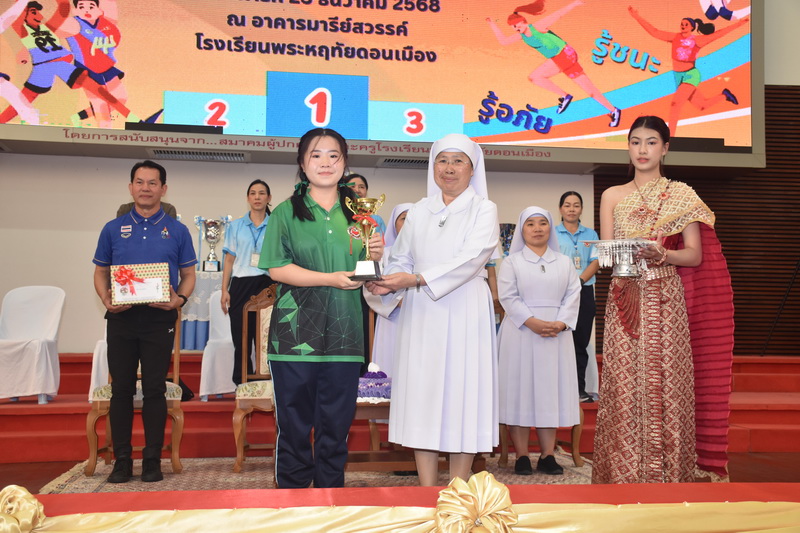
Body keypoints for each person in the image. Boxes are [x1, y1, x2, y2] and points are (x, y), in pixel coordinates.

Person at [592, 115, 734, 484]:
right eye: (635, 142)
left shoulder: (681, 195)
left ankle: (670, 476)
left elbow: (694, 255)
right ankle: (622, 477)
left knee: (667, 383)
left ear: (665, 148)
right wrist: (626, 253)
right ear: (628, 147)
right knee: (624, 385)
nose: (642, 150)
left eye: (651, 142)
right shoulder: (611, 196)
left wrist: (663, 254)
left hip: (667, 298)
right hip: (625, 298)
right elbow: (607, 256)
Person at [367, 133, 499, 486]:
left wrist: (415, 279)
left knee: (462, 393)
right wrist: (385, 278)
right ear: (432, 166)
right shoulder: (419, 210)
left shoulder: (484, 209)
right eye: (442, 160)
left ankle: (458, 489)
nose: (449, 168)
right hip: (422, 312)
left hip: (465, 307)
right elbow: (401, 257)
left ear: (472, 169)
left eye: (458, 161)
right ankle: (426, 490)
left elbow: (472, 258)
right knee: (422, 393)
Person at [258, 128, 383, 489]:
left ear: (345, 163)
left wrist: (376, 256)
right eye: (316, 155)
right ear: (302, 162)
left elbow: (367, 275)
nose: (325, 163)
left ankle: (331, 501)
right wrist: (329, 278)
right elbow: (277, 268)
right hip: (293, 336)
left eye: (333, 155)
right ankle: (293, 502)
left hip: (346, 335)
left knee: (336, 428)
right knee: (294, 427)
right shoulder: (285, 212)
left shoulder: (361, 215)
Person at [92, 160, 197, 483]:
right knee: (121, 389)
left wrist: (179, 300)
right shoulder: (113, 228)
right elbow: (100, 271)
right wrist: (106, 299)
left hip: (158, 318)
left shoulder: (178, 230)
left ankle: (152, 460)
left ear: (163, 189)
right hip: (121, 318)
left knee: (154, 389)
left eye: (152, 183)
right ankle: (122, 460)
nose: (146, 188)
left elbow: (189, 274)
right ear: (130, 187)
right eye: (140, 182)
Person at [498, 206, 581, 476]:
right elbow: (508, 297)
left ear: (550, 228)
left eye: (542, 223)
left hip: (556, 334)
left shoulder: (564, 262)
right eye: (530, 224)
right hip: (521, 332)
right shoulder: (511, 262)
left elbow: (573, 295)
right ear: (522, 230)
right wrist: (531, 321)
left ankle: (547, 455)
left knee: (549, 391)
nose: (537, 229)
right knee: (519, 391)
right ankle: (521, 455)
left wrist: (561, 322)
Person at [0, 0, 144, 124]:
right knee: (23, 101)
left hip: (62, 65)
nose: (39, 15)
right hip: (43, 67)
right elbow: (15, 15)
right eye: (34, 12)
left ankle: (136, 119)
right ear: (24, 14)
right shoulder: (22, 29)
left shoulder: (48, 27)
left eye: (38, 12)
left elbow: (63, 9)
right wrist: (22, 2)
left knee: (99, 90)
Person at [486, 0, 622, 128]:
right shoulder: (522, 36)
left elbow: (557, 15)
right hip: (560, 59)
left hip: (565, 54)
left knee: (535, 77)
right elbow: (503, 41)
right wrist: (492, 24)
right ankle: (614, 110)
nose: (516, 28)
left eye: (517, 25)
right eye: (513, 27)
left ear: (524, 21)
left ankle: (565, 96)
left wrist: (574, 4)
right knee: (590, 90)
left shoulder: (537, 27)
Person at [628, 6, 750, 138]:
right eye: (682, 24)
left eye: (686, 24)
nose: (683, 26)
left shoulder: (697, 40)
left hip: (690, 75)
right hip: (678, 77)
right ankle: (724, 95)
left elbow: (718, 34)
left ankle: (670, 137)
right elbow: (654, 32)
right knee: (702, 106)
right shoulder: (675, 37)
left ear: (692, 27)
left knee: (675, 104)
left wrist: (738, 24)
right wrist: (636, 16)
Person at [221, 179, 273, 385]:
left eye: (262, 193)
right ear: (248, 198)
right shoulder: (236, 226)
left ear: (269, 198)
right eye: (253, 193)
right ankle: (242, 381)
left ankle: (268, 379)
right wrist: (224, 290)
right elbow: (229, 260)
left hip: (268, 285)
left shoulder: (276, 225)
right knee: (241, 337)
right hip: (241, 285)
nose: (257, 197)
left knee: (266, 336)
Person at [555, 191, 599, 403]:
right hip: (558, 293)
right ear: (560, 209)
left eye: (576, 205)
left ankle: (579, 390)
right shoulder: (552, 233)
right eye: (567, 205)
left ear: (581, 209)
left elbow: (596, 261)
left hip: (584, 291)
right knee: (557, 342)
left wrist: (579, 282)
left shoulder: (591, 234)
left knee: (580, 342)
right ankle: (557, 391)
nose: (571, 209)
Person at [363, 202, 412, 375]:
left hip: (423, 316)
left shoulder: (429, 255)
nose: (409, 223)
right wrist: (398, 302)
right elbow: (370, 289)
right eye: (404, 218)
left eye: (414, 219)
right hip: (393, 318)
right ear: (394, 224)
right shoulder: (381, 254)